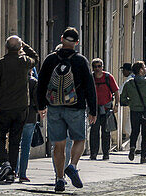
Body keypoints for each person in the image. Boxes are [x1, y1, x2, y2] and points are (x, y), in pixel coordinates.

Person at [37, 27, 97, 193]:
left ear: (62, 39)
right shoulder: (80, 60)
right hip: (75, 108)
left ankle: (60, 178)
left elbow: (41, 84)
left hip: (54, 107)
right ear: (76, 43)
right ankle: (73, 165)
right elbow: (90, 86)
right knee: (79, 139)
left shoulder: (50, 60)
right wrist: (93, 110)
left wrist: (41, 106)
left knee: (59, 145)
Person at [0, 34, 39, 184]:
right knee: (15, 140)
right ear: (19, 48)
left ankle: (4, 163)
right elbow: (35, 58)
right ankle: (12, 172)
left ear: (6, 48)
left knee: (1, 136)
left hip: (3, 107)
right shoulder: (25, 62)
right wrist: (24, 46)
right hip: (21, 107)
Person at [120, 60, 146, 164]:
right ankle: (143, 156)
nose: (145, 69)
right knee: (145, 134)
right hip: (145, 111)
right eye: (144, 67)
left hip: (134, 110)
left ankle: (132, 147)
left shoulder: (129, 83)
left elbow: (122, 99)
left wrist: (130, 102)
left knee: (135, 131)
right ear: (140, 70)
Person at [89, 58, 119, 161]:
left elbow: (116, 92)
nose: (97, 69)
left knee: (106, 132)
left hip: (106, 109)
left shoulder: (108, 77)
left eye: (99, 66)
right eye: (95, 67)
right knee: (94, 132)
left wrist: (116, 105)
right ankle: (93, 153)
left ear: (102, 67)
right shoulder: (90, 78)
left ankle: (106, 153)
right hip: (94, 110)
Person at [16, 72, 39, 183]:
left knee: (15, 144)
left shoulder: (14, 81)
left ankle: (13, 171)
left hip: (15, 116)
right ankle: (22, 173)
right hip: (30, 116)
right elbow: (36, 99)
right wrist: (40, 110)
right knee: (25, 147)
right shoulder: (33, 81)